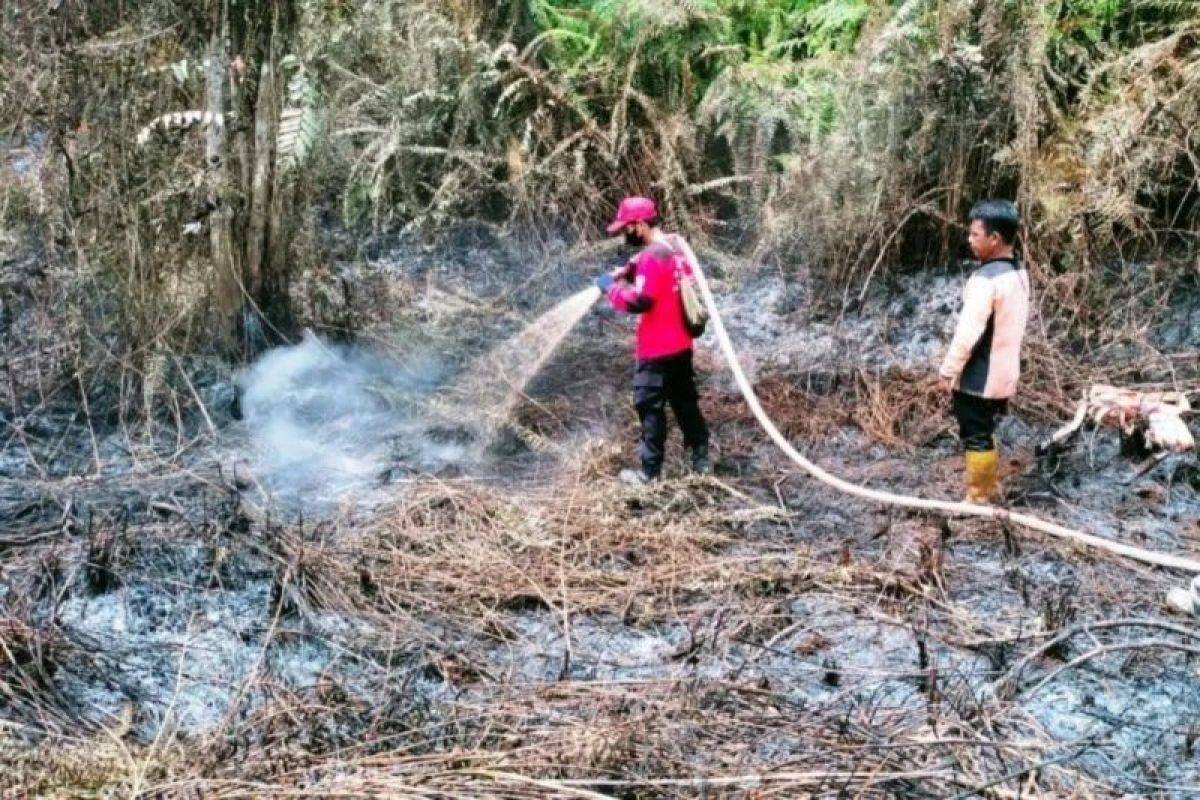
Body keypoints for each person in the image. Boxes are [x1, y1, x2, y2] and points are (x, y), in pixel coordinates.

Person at [596, 196, 710, 485]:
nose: (625, 234)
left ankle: (649, 474)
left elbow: (640, 301)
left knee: (649, 408)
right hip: (681, 345)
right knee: (685, 402)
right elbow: (662, 271)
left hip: (655, 351)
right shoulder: (673, 247)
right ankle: (701, 456)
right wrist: (628, 270)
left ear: (641, 224)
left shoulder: (651, 256)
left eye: (627, 228)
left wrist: (612, 289)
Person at [938, 199, 1031, 503]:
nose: (969, 240)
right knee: (984, 429)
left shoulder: (985, 280)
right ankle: (990, 487)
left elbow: (968, 334)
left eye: (975, 235)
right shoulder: (1018, 273)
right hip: (1004, 373)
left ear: (994, 238)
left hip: (979, 375)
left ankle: (979, 496)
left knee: (975, 434)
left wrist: (949, 369)